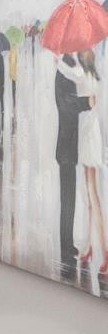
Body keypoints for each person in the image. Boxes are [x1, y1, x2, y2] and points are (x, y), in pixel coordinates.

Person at [57, 50, 108, 280]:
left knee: (92, 196)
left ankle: (104, 252)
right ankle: (88, 247)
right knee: (88, 197)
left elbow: (72, 73)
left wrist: (58, 61)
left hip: (88, 139)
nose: (81, 52)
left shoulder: (85, 76)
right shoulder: (91, 76)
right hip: (88, 137)